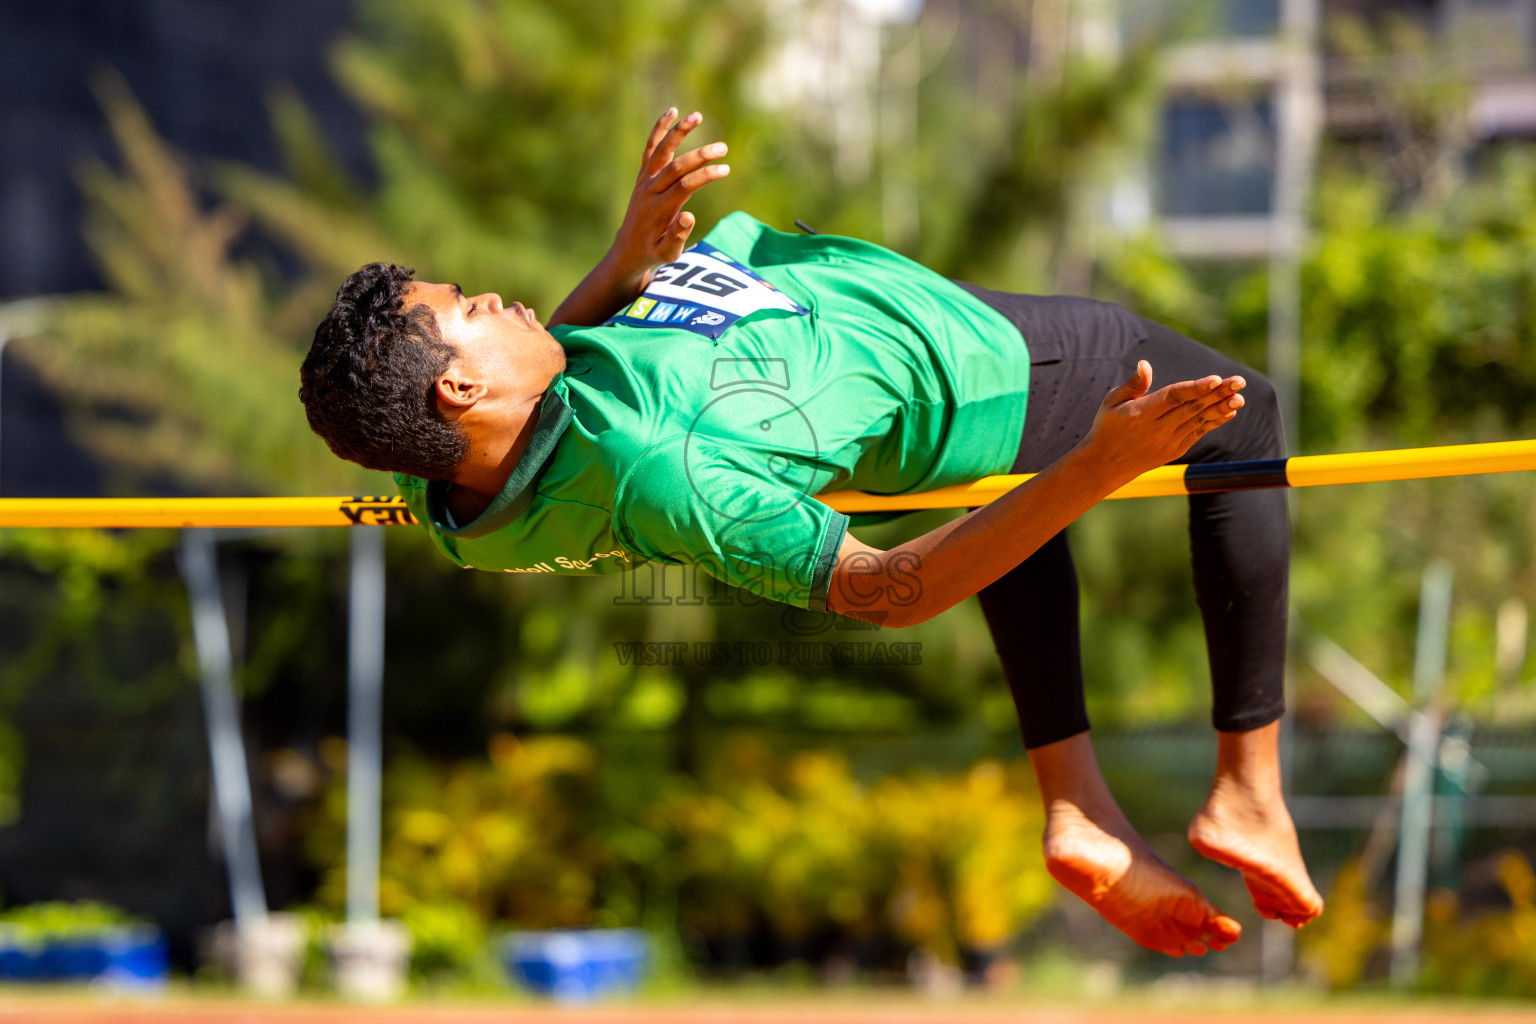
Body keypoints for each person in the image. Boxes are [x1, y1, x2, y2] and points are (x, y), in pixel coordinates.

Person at [299, 108, 1323, 957]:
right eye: (472, 307)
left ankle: (1080, 804)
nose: (501, 298)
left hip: (873, 368)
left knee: (1009, 503)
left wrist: (624, 263)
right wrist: (1100, 466)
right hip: (946, 372)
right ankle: (1247, 786)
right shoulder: (671, 469)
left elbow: (529, 409)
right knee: (1246, 413)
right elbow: (892, 590)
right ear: (461, 381)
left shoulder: (466, 510)